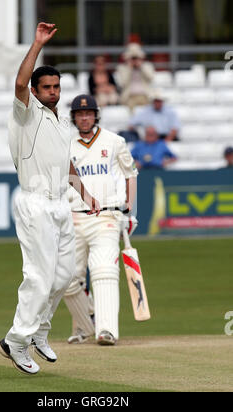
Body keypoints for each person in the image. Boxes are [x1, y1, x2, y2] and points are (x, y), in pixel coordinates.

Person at [0, 23, 100, 376]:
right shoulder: (26, 113)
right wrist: (38, 43)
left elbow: (64, 160)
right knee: (39, 278)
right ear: (37, 91)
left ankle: (39, 331)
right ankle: (16, 340)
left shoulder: (60, 120)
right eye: (47, 88)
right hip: (35, 203)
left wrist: (84, 192)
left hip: (59, 203)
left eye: (57, 87)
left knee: (65, 276)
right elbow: (19, 83)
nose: (53, 92)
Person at [63, 94, 138, 346]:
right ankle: (86, 324)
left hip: (106, 215)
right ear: (74, 117)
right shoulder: (64, 144)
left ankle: (106, 330)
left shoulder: (115, 141)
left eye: (89, 113)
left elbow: (130, 174)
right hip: (73, 217)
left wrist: (129, 211)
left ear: (96, 115)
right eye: (80, 114)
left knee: (104, 269)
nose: (84, 118)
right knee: (67, 279)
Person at [115, 43, 155, 111]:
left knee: (149, 110)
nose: (135, 60)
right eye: (133, 58)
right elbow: (122, 84)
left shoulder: (147, 66)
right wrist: (129, 68)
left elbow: (150, 78)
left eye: (136, 58)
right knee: (132, 110)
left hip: (145, 95)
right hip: (130, 96)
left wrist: (141, 67)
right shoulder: (122, 68)